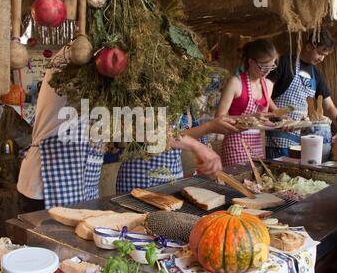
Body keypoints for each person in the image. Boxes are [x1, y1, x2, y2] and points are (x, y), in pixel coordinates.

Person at [18, 47, 239, 210]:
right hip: (44, 186)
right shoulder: (77, 57)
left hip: (82, 187)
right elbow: (137, 124)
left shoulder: (107, 72)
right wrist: (195, 145)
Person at [266, 30, 337, 159]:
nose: (322, 58)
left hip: (301, 142)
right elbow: (264, 92)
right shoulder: (285, 63)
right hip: (278, 138)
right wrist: (279, 114)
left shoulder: (317, 75)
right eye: (320, 53)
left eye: (325, 55)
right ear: (309, 46)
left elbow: (330, 107)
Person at [216, 39, 278, 166]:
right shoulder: (236, 82)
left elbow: (262, 121)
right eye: (263, 66)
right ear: (251, 62)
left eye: (271, 66)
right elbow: (219, 117)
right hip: (236, 142)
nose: (267, 71)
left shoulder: (268, 85)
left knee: (257, 184)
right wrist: (249, 118)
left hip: (257, 143)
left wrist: (280, 126)